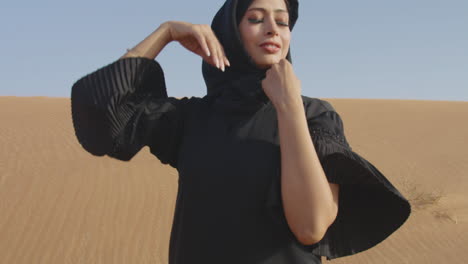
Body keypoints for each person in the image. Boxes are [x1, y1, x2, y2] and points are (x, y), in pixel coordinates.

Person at [70, 0, 411, 263]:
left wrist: (289, 106)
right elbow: (105, 115)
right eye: (255, 18)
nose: (273, 29)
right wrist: (166, 33)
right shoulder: (191, 118)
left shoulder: (314, 116)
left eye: (282, 21)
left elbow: (311, 227)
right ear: (231, 31)